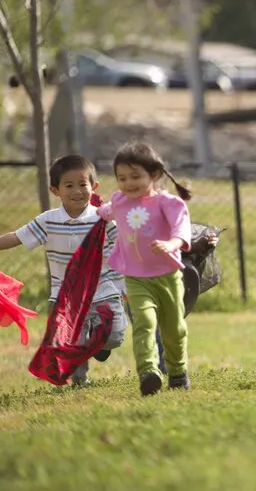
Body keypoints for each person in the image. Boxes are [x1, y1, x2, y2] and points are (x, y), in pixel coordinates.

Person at [0, 155, 129, 386]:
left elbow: (127, 244)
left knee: (114, 337)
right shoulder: (48, 221)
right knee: (73, 343)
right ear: (55, 190)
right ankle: (80, 380)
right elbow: (15, 238)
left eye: (83, 184)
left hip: (104, 290)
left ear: (94, 187)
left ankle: (99, 345)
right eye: (69, 185)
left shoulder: (104, 219)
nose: (77, 191)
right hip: (66, 297)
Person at [98, 141, 193, 396]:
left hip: (168, 278)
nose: (129, 183)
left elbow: (181, 228)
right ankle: (149, 372)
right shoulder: (119, 201)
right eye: (122, 178)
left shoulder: (167, 203)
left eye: (135, 177)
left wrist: (172, 243)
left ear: (153, 174)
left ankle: (177, 371)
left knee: (174, 330)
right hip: (135, 278)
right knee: (144, 323)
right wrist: (96, 209)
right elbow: (107, 211)